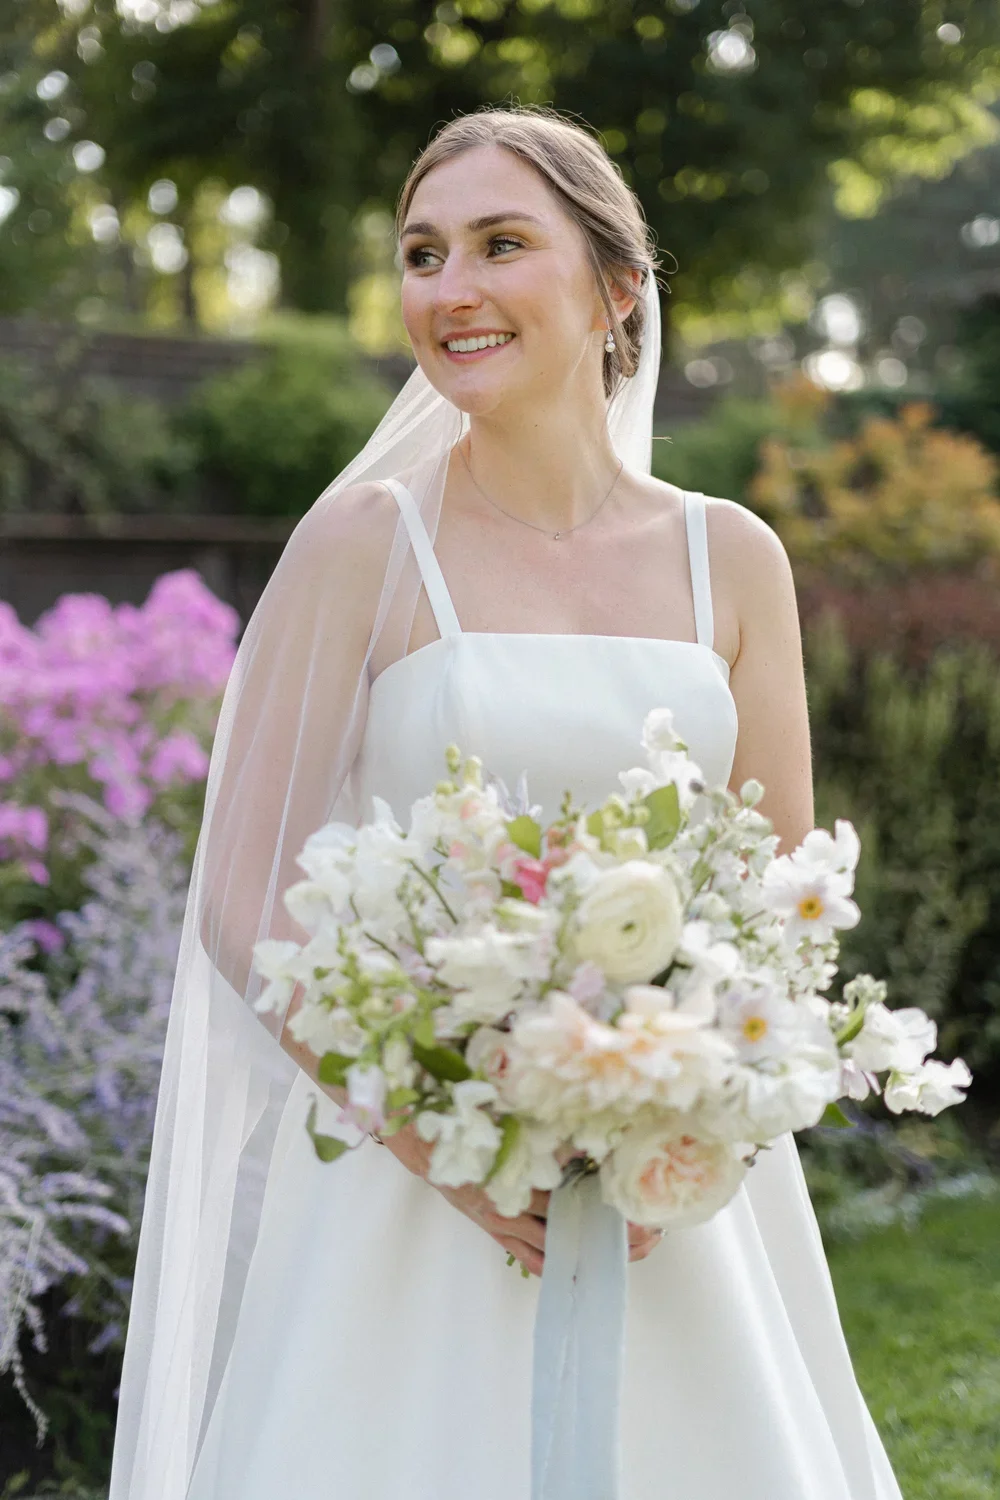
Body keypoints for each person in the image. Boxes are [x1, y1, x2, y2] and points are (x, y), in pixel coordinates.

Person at [109, 104, 904, 1500]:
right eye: (422, 254)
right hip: (413, 1184)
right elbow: (243, 896)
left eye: (500, 244)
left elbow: (781, 895)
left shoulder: (736, 559)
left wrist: (683, 1114)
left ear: (616, 290)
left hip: (674, 1186)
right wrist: (448, 1144)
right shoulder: (367, 542)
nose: (450, 288)